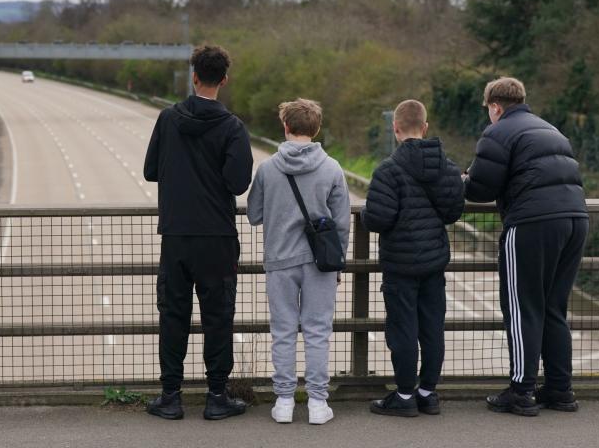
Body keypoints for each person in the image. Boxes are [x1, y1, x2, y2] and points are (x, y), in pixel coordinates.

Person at [464, 77, 588, 416]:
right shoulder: (551, 129)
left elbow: (480, 188)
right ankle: (560, 390)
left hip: (533, 223)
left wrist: (462, 180)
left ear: (495, 106)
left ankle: (521, 390)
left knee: (522, 308)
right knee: (553, 308)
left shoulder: (500, 131)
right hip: (575, 219)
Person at [143, 44, 254, 421]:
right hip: (217, 238)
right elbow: (239, 183)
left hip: (175, 234)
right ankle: (216, 396)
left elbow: (150, 171)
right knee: (217, 316)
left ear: (194, 76)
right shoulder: (233, 128)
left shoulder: (168, 119)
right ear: (224, 79)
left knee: (173, 314)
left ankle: (170, 396)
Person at [247, 99, 349, 425]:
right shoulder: (332, 168)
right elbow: (342, 222)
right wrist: (338, 263)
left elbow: (254, 214)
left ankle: (284, 401)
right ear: (316, 128)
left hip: (279, 259)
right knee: (318, 331)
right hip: (319, 262)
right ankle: (318, 403)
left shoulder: (267, 169)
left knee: (283, 331)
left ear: (286, 127)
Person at [362, 99, 465, 417]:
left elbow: (378, 219)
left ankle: (405, 396)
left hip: (400, 264)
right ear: (425, 127)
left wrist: (366, 213)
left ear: (395, 129)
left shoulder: (388, 170)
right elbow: (453, 212)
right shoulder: (447, 168)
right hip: (434, 262)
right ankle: (427, 393)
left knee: (403, 329)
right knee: (432, 327)